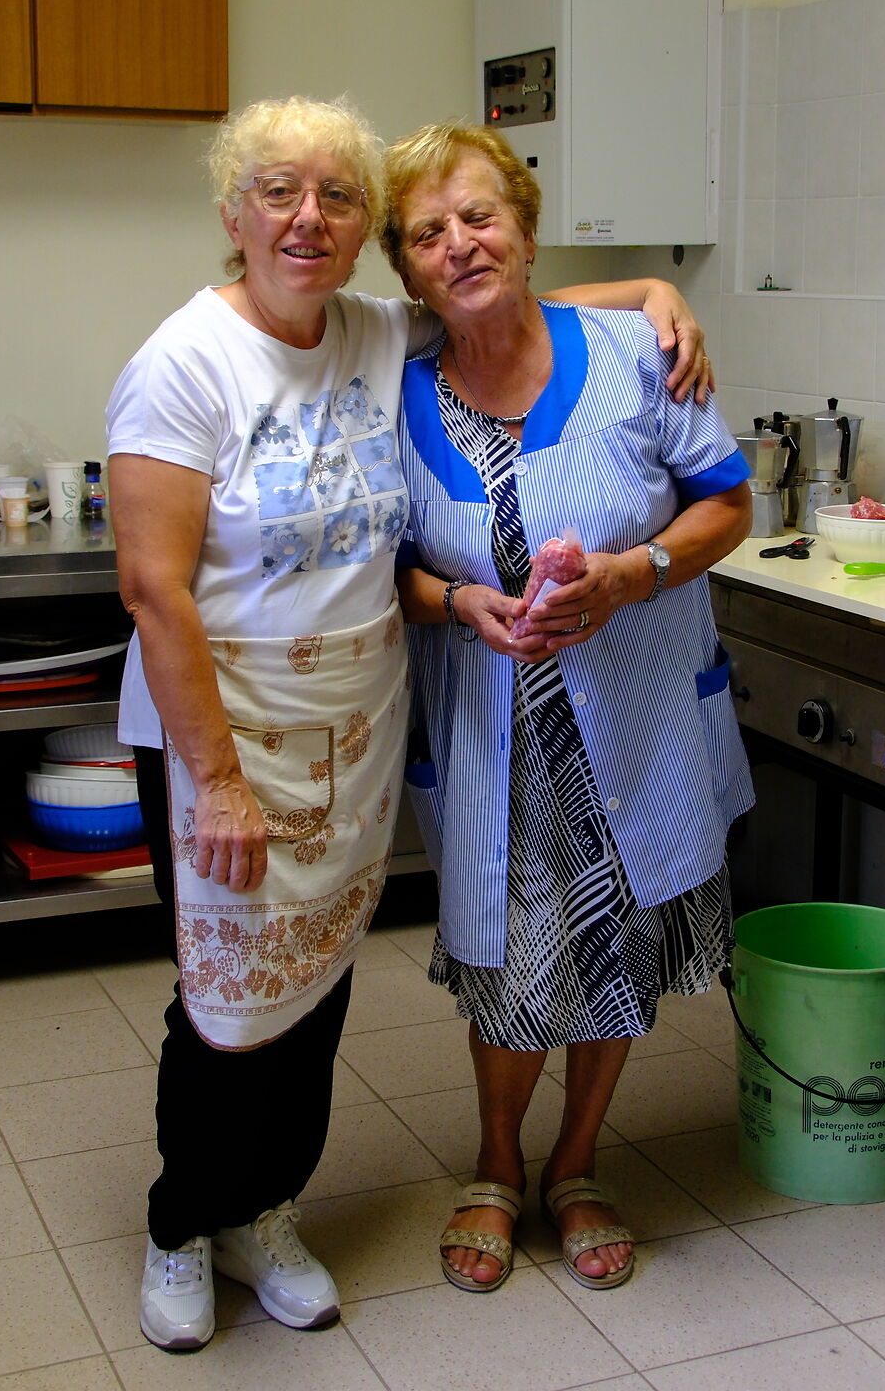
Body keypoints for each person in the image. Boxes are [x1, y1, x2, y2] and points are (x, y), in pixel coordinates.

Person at [106, 96, 711, 1351]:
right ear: (233, 214)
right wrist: (213, 778)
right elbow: (151, 588)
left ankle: (265, 1210)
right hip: (221, 736)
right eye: (279, 192)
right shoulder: (184, 362)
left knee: (315, 989)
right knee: (224, 1000)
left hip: (352, 731)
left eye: (336, 197)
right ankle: (181, 1223)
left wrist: (657, 286)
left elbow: (506, 287)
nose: (308, 219)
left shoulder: (375, 334)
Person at [382, 122, 753, 1293]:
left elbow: (727, 504)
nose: (461, 243)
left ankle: (578, 1163)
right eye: (430, 231)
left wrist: (633, 573)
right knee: (509, 955)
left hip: (635, 719)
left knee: (621, 940)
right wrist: (452, 600)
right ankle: (496, 1165)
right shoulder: (395, 391)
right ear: (407, 270)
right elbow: (379, 562)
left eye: (482, 216)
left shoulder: (639, 352)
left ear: (528, 231)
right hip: (499, 732)